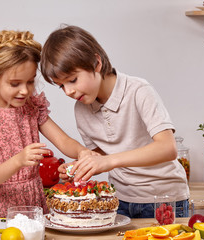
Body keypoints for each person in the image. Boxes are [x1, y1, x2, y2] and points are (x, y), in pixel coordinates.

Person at [40, 25, 190, 218]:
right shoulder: (82, 108)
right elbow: (103, 153)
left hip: (163, 199)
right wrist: (81, 166)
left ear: (96, 63)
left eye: (73, 80)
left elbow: (168, 148)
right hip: (120, 200)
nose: (68, 91)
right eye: (61, 86)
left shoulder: (138, 91)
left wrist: (108, 162)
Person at [0, 30, 95, 218]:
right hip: (0, 212)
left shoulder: (32, 108)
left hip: (35, 205)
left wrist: (82, 152)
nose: (24, 91)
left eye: (30, 82)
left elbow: (63, 141)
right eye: (15, 84)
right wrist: (18, 161)